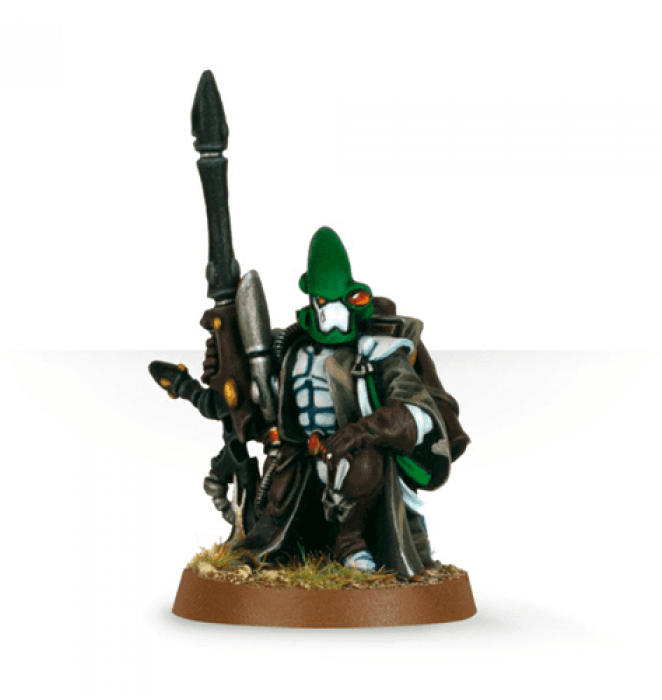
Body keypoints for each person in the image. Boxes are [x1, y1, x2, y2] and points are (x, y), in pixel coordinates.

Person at [152, 227, 469, 577]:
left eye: (339, 302)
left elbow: (416, 412)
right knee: (269, 531)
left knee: (367, 465)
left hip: (352, 460)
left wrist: (359, 433)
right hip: (295, 462)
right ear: (312, 300)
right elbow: (252, 393)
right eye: (323, 301)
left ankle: (351, 543)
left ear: (354, 298)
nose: (331, 312)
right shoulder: (290, 347)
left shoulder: (376, 350)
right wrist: (224, 358)